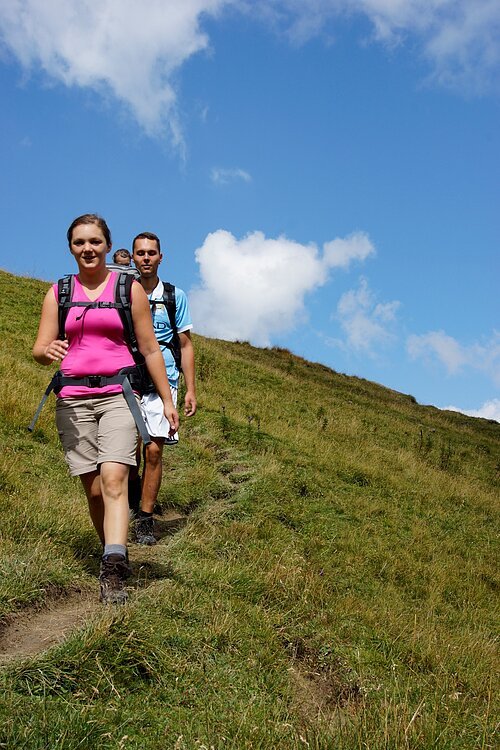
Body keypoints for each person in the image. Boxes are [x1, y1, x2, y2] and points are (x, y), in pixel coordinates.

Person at [32, 214, 179, 604]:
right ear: (70, 248)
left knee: (115, 480)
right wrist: (48, 352)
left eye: (95, 241)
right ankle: (109, 550)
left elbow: (149, 349)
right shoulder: (59, 292)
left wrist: (166, 400)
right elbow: (39, 348)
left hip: (119, 395)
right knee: (94, 490)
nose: (88, 249)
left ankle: (114, 569)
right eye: (79, 243)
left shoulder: (128, 289)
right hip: (72, 400)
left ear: (107, 243)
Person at [131, 231, 196, 545]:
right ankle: (131, 497)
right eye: (140, 253)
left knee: (153, 451)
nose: (145, 258)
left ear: (160, 257)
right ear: (133, 257)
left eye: (151, 253)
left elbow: (185, 344)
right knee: (127, 450)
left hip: (164, 381)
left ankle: (145, 518)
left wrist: (190, 389)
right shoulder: (124, 293)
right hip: (127, 378)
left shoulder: (175, 296)